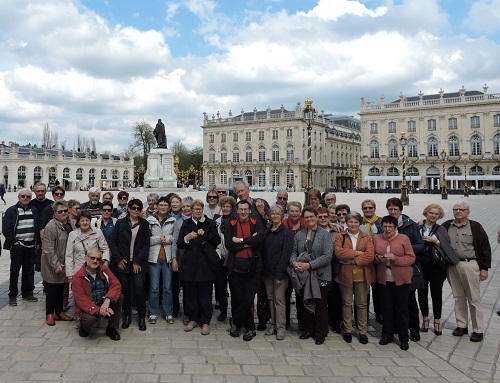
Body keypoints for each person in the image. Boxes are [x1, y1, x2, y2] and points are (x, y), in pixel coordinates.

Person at [442, 202, 491, 342]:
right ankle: (461, 325)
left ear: (467, 212)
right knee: (458, 297)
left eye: (461, 210)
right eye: (455, 209)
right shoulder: (446, 225)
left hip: (470, 264)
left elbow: (485, 247)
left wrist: (484, 268)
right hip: (452, 266)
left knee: (473, 298)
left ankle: (478, 329)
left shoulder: (475, 227)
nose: (458, 212)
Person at [290, 206, 333, 345]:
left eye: (312, 217)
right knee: (305, 302)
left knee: (320, 305)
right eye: (307, 217)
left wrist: (310, 265)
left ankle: (320, 332)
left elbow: (327, 256)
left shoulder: (324, 234)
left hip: (320, 274)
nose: (309, 219)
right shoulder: (300, 234)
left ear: (316, 217)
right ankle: (308, 329)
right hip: (304, 275)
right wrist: (294, 263)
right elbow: (293, 252)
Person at [177, 199, 221, 335]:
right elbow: (179, 243)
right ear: (191, 210)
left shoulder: (209, 223)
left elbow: (216, 241)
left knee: (205, 294)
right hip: (189, 263)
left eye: (199, 209)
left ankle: (206, 321)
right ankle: (192, 319)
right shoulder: (186, 223)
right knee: (190, 293)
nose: (197, 211)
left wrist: (205, 234)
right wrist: (187, 238)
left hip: (205, 263)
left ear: (203, 210)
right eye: (195, 209)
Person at [225, 199, 265, 341]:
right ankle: (248, 328)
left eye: (245, 209)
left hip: (253, 267)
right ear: (237, 211)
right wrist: (248, 242)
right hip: (236, 266)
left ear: (249, 211)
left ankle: (236, 322)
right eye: (240, 210)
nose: (243, 212)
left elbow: (260, 239)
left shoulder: (256, 223)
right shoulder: (231, 224)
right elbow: (229, 244)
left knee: (248, 299)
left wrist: (241, 241)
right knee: (237, 298)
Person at [374, 215, 415, 351]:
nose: (387, 229)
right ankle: (387, 334)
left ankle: (403, 337)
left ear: (395, 227)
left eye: (390, 226)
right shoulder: (377, 238)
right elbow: (373, 256)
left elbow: (411, 258)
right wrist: (378, 259)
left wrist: (396, 259)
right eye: (385, 226)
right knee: (386, 308)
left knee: (401, 308)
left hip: (401, 278)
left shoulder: (404, 239)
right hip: (384, 278)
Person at [386, 197, 425, 343]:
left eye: (396, 209)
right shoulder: (386, 223)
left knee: (409, 301)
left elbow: (420, 245)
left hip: (408, 269)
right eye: (390, 209)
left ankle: (414, 329)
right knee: (394, 301)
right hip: (390, 271)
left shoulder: (409, 225)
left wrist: (402, 250)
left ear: (401, 210)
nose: (393, 211)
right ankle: (397, 327)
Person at [109, 199, 151, 331]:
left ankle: (141, 317)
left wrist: (138, 261)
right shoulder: (121, 223)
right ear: (129, 209)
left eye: (138, 208)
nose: (136, 210)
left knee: (139, 288)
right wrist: (118, 259)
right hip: (123, 262)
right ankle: (126, 315)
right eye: (133, 208)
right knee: (125, 290)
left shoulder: (144, 224)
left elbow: (146, 245)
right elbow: (113, 241)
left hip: (138, 263)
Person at [417, 203, 459, 336]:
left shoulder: (441, 229)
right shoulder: (418, 226)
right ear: (426, 213)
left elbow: (447, 247)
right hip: (421, 264)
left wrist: (435, 241)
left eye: (436, 214)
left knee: (436, 294)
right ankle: (424, 319)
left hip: (436, 266)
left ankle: (437, 321)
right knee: (422, 293)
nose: (434, 215)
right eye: (431, 213)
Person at [334, 212, 375, 344]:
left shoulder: (366, 237)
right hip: (345, 274)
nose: (353, 224)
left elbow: (369, 256)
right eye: (350, 222)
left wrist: (351, 260)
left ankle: (362, 331)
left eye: (355, 222)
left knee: (361, 304)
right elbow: (338, 252)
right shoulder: (341, 236)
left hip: (361, 274)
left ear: (360, 223)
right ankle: (348, 329)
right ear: (346, 223)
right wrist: (357, 253)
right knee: (346, 303)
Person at [72, 248, 123, 341]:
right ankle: (84, 328)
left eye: (98, 259)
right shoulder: (77, 277)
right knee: (89, 319)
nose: (95, 261)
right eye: (92, 258)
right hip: (88, 308)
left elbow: (116, 284)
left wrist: (107, 300)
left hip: (102, 301)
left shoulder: (104, 270)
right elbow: (81, 301)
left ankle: (111, 328)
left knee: (119, 296)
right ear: (85, 258)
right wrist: (99, 311)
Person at [2, 189, 40, 306]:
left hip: (30, 246)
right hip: (18, 246)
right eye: (23, 196)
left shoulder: (33, 210)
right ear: (19, 197)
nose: (25, 198)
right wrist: (14, 241)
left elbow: (37, 227)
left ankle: (27, 293)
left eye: (28, 196)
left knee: (29, 271)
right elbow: (6, 228)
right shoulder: (12, 210)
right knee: (15, 271)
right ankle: (12, 295)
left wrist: (37, 242)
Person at [41, 201, 76, 325]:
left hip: (66, 262)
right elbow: (48, 248)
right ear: (55, 213)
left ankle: (59, 311)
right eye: (60, 211)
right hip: (53, 263)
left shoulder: (70, 223)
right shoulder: (51, 226)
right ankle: (50, 314)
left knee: (61, 287)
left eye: (65, 210)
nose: (63, 213)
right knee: (52, 288)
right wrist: (55, 264)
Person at [261, 204, 293, 340]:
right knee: (270, 299)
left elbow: (286, 254)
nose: (274, 216)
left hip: (279, 272)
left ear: (282, 216)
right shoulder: (267, 232)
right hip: (267, 272)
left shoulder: (286, 233)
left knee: (279, 300)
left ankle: (281, 327)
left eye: (277, 214)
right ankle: (273, 324)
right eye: (272, 214)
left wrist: (280, 273)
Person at [147, 196, 177, 324]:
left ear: (169, 207)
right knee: (153, 287)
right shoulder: (150, 220)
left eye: (165, 205)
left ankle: (168, 312)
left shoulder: (173, 220)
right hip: (154, 257)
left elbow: (175, 238)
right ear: (156, 206)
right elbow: (146, 239)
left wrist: (167, 239)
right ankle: (153, 312)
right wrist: (158, 239)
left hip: (167, 257)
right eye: (161, 205)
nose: (163, 207)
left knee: (167, 287)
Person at [281, 200, 306, 329]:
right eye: (292, 211)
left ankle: (302, 322)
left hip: (300, 265)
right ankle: (285, 322)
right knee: (285, 294)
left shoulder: (305, 224)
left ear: (300, 212)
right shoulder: (282, 224)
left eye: (297, 211)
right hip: (285, 264)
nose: (294, 213)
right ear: (287, 212)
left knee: (301, 295)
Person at [65, 210, 110, 280]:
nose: (85, 223)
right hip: (78, 270)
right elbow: (69, 255)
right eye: (82, 221)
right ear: (78, 222)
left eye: (87, 220)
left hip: (95, 269)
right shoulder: (72, 235)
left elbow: (105, 249)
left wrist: (105, 262)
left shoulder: (98, 232)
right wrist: (70, 274)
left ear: (90, 221)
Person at [360, 199, 383, 324]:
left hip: (378, 259)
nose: (368, 210)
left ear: (374, 208)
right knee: (365, 288)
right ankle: (364, 314)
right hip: (366, 259)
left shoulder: (381, 221)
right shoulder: (359, 222)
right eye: (365, 208)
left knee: (378, 288)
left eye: (370, 208)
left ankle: (379, 312)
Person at [171, 196, 194, 321]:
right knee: (176, 286)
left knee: (188, 287)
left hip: (193, 259)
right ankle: (176, 309)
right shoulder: (178, 222)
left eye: (188, 206)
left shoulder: (196, 220)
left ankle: (189, 312)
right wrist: (174, 258)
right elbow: (174, 241)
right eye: (184, 206)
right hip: (180, 258)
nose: (185, 209)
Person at [214, 195, 236, 322]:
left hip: (233, 258)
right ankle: (223, 311)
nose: (226, 208)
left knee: (234, 287)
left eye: (228, 206)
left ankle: (234, 312)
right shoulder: (217, 221)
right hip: (220, 258)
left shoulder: (235, 221)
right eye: (224, 206)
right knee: (220, 287)